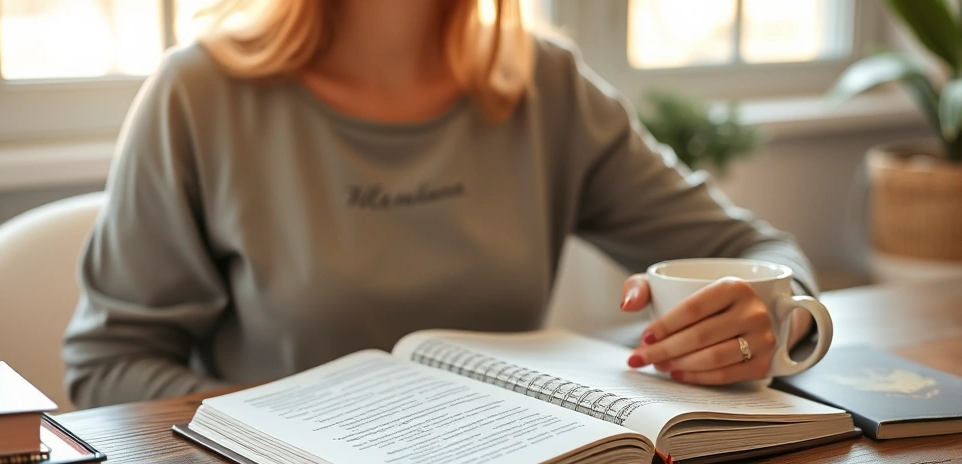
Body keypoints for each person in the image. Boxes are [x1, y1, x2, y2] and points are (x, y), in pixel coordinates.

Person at [63, 0, 817, 408]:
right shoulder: (198, 94)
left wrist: (777, 316)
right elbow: (109, 368)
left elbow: (760, 252)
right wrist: (283, 427)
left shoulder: (544, 84)